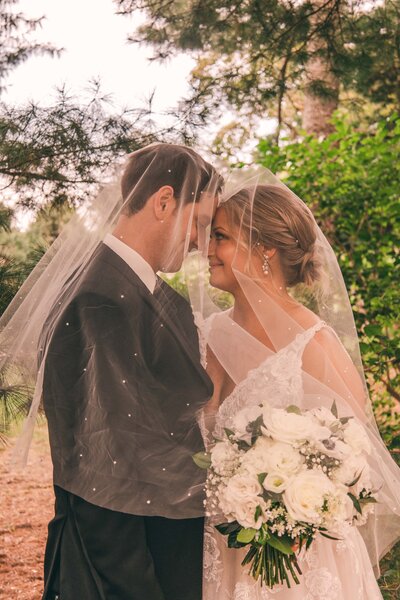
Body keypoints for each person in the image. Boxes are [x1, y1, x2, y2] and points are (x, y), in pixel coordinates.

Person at [0, 143, 223, 600]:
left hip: (167, 554)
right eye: (199, 223)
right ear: (163, 202)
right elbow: (103, 467)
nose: (202, 242)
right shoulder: (96, 298)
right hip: (119, 573)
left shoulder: (162, 299)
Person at [193, 180, 400, 600]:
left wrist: (292, 506)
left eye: (220, 237)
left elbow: (354, 465)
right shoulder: (206, 334)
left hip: (301, 565)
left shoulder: (314, 345)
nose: (206, 250)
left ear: (264, 248)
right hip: (218, 552)